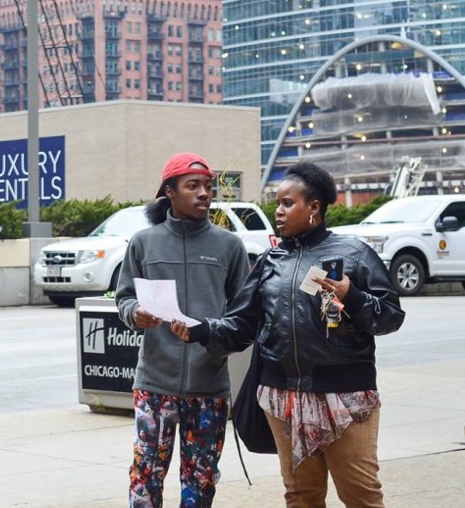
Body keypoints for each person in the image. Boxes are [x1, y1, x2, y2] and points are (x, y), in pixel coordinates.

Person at [172, 160, 406, 508]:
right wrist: (203, 329)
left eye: (286, 203)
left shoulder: (354, 254)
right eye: (276, 203)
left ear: (314, 207)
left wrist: (351, 296)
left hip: (345, 394)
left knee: (360, 494)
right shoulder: (271, 261)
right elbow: (241, 325)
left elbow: (389, 316)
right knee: (301, 496)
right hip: (283, 397)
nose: (277, 211)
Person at [115, 152, 251, 508]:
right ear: (169, 193)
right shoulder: (144, 243)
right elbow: (124, 298)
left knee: (201, 482)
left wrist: (214, 334)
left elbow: (244, 313)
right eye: (193, 186)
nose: (204, 193)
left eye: (208, 186)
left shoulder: (229, 246)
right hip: (154, 385)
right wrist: (136, 314)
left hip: (209, 387)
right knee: (145, 478)